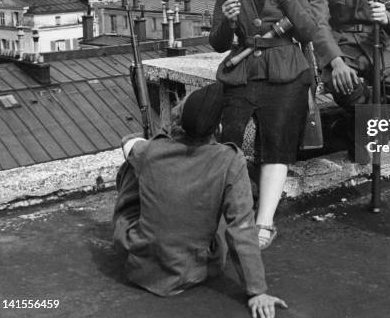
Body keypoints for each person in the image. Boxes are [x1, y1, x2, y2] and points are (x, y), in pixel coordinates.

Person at [112, 82, 287, 317]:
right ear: (218, 127)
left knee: (132, 168)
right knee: (227, 213)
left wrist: (144, 142)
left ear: (179, 118)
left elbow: (127, 143)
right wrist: (257, 291)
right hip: (193, 271)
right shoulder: (229, 160)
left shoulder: (150, 150)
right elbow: (242, 229)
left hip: (140, 268)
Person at [209, 0, 316, 250]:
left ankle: (264, 221)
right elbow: (218, 42)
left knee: (276, 140)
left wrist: (289, 0)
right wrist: (227, 23)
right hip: (242, 71)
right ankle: (232, 214)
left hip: (284, 70)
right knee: (231, 139)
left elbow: (308, 32)